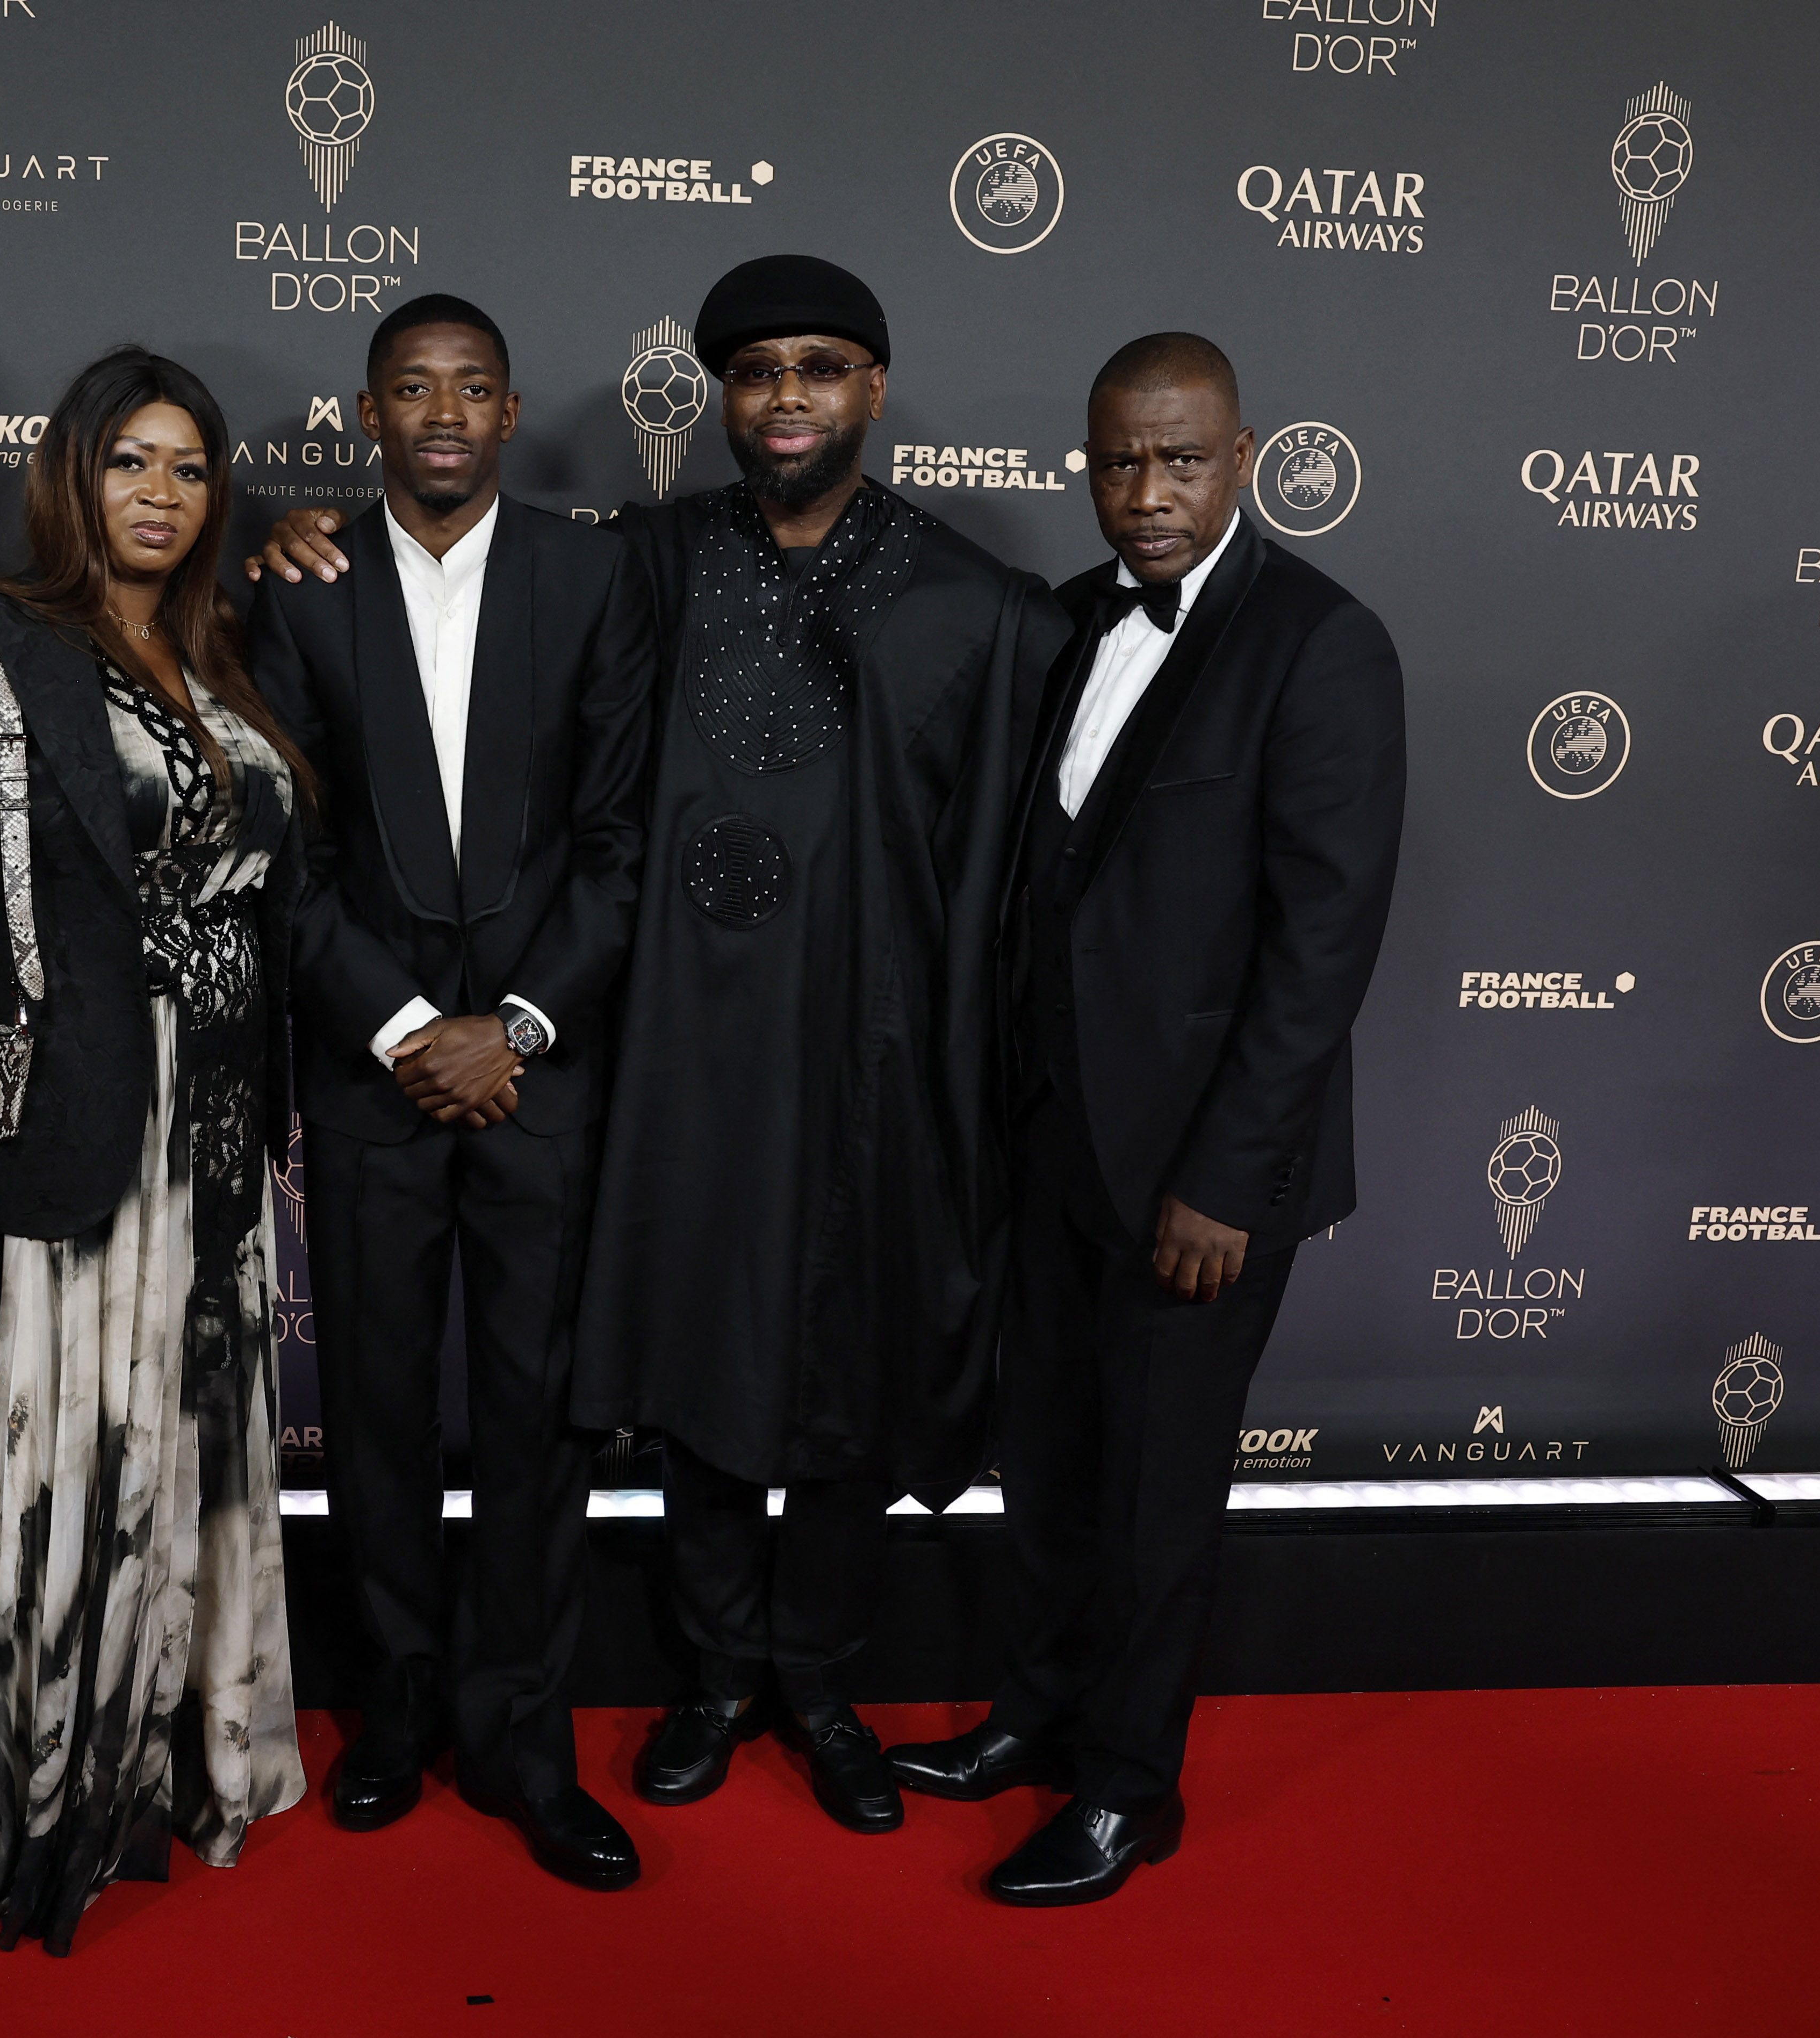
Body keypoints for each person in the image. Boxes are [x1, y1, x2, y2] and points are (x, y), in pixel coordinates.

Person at [254, 256, 1067, 1835]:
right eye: (755, 371)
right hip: (675, 1066)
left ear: (873, 392)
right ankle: (698, 1678)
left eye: (821, 369)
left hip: (859, 1070)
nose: (786, 398)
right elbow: (419, 630)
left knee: (826, 1364)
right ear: (713, 395)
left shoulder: (977, 604)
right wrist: (292, 539)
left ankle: (809, 1685)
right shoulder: (646, 560)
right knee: (689, 1358)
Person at [884, 334, 1404, 1903]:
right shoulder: (1069, 620)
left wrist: (1228, 1178)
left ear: (1244, 458)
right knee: (1047, 1463)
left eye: (1181, 461)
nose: (1147, 492)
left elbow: (1323, 950)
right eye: (1119, 462)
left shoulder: (1322, 643)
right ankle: (1038, 1718)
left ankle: (1128, 1788)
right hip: (1051, 1143)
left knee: (1157, 1491)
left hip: (1200, 1175)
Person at [0, 346, 313, 1955]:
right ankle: (36, 1795)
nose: (160, 496)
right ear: (70, 477)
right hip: (57, 1131)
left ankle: (171, 1752)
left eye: (189, 468)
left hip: (222, 1129)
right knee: (60, 1461)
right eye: (131, 463)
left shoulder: (228, 654)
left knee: (179, 1441)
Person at [247, 296, 655, 1888]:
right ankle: (401, 1715)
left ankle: (526, 1737)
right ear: (367, 414)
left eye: (470, 388)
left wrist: (522, 1027)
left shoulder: (596, 573)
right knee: (385, 1426)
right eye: (410, 388)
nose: (441, 412)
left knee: (542, 1428)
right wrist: (415, 1024)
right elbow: (282, 851)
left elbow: (621, 840)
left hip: (542, 1082)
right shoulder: (299, 585)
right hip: (371, 1081)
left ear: (510, 410)